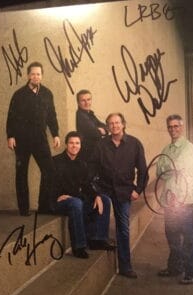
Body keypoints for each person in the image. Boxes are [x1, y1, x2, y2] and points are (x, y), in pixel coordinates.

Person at [89, 113, 147, 278]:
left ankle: (125, 267)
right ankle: (99, 240)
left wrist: (138, 190)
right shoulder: (101, 144)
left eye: (117, 123)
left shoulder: (134, 144)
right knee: (100, 210)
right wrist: (95, 191)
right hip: (105, 190)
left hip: (124, 191)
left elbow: (143, 170)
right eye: (111, 124)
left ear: (123, 124)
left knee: (123, 228)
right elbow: (92, 167)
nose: (114, 126)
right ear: (107, 127)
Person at [6, 61, 60, 216]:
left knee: (49, 170)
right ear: (28, 75)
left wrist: (55, 134)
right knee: (21, 173)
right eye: (33, 73)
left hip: (40, 139)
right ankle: (23, 209)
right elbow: (11, 117)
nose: (36, 76)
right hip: (21, 140)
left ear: (41, 75)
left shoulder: (47, 93)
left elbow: (52, 116)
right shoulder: (19, 94)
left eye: (38, 74)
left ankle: (44, 206)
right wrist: (10, 136)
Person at [52, 131, 115, 259]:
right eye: (71, 143)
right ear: (66, 145)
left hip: (75, 199)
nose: (74, 146)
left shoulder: (82, 163)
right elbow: (48, 184)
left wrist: (96, 195)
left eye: (77, 143)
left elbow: (86, 184)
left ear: (80, 145)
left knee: (105, 200)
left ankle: (98, 239)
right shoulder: (56, 161)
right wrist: (57, 196)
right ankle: (79, 246)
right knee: (76, 203)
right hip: (58, 201)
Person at [156, 114, 193, 284]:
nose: (173, 129)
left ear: (181, 128)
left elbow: (177, 169)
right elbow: (159, 172)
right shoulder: (167, 149)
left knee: (188, 238)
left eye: (176, 126)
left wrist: (167, 167)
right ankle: (175, 267)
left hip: (183, 201)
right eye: (170, 126)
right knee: (172, 236)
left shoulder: (188, 148)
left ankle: (192, 273)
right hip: (169, 200)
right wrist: (169, 167)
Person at [76, 89, 107, 161]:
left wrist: (102, 129)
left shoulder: (90, 114)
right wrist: (99, 130)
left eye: (88, 99)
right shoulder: (81, 115)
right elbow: (95, 133)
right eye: (83, 100)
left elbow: (105, 126)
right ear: (78, 102)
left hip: (94, 151)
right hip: (88, 154)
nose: (87, 103)